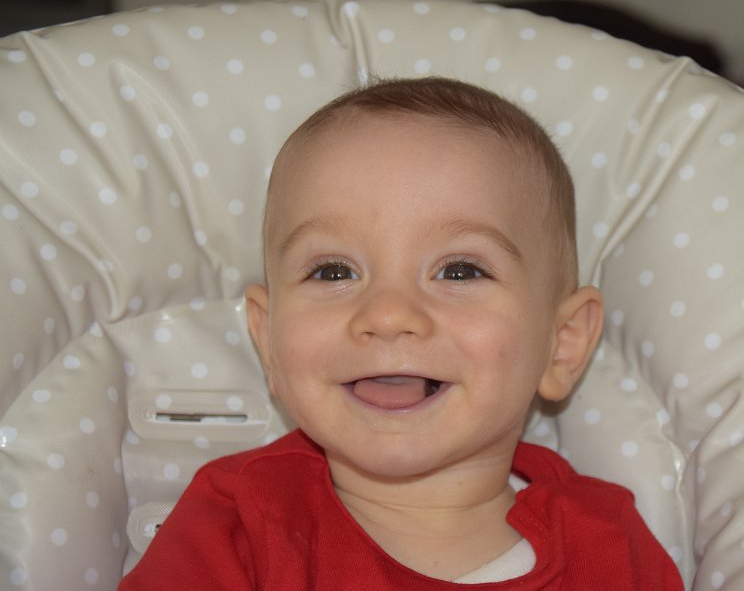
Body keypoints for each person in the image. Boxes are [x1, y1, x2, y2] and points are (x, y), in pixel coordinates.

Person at [119, 77, 683, 590]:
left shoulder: (609, 546)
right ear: (268, 341)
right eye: (333, 272)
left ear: (561, 342)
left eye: (459, 271)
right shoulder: (235, 527)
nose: (388, 314)